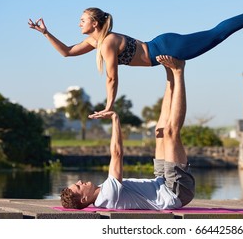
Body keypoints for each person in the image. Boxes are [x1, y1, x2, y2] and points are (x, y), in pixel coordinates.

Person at [28, 1, 243, 117]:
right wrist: (46, 33)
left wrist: (109, 105)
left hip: (168, 47)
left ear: (95, 23)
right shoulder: (94, 41)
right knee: (215, 34)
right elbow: (66, 52)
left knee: (217, 34)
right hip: (162, 47)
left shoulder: (107, 42)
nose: (78, 23)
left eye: (82, 20)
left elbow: (111, 77)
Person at [60, 55, 195, 210]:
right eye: (78, 187)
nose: (79, 182)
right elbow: (117, 153)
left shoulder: (103, 193)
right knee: (171, 133)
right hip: (175, 192)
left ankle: (169, 75)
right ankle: (178, 71)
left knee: (160, 131)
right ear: (84, 198)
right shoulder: (107, 195)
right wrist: (115, 118)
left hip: (160, 183)